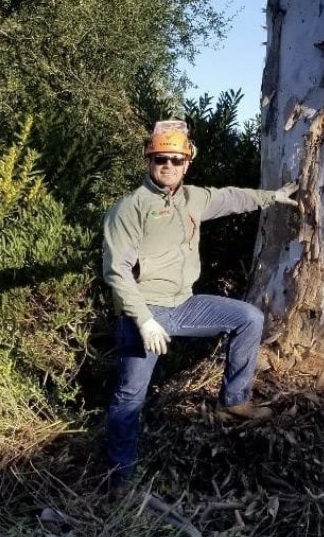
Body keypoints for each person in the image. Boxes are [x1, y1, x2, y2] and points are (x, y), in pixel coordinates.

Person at [101, 120, 298, 488]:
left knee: (248, 318)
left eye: (176, 160)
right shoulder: (129, 209)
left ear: (187, 163)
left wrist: (272, 197)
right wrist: (144, 320)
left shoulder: (193, 198)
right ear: (149, 160)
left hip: (184, 305)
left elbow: (231, 197)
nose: (169, 166)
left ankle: (233, 402)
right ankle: (120, 478)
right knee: (130, 397)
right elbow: (117, 273)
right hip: (144, 313)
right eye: (161, 159)